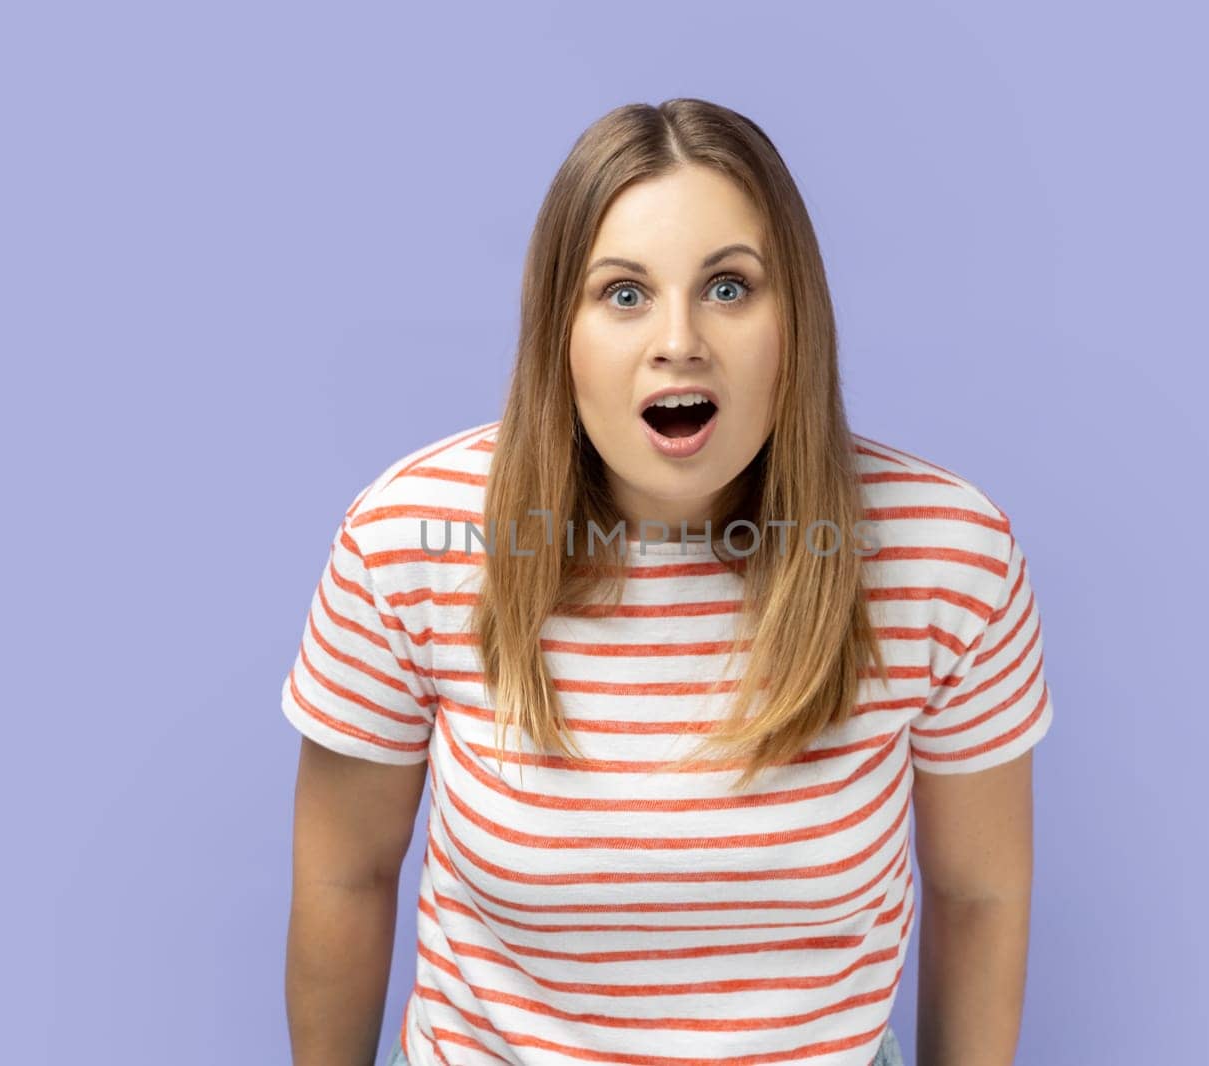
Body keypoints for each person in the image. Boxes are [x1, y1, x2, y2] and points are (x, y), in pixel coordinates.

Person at [282, 98, 1053, 1066]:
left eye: (729, 288)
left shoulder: (944, 553)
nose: (679, 338)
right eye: (623, 293)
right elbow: (343, 875)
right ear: (558, 329)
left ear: (795, 318)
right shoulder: (409, 538)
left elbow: (980, 894)